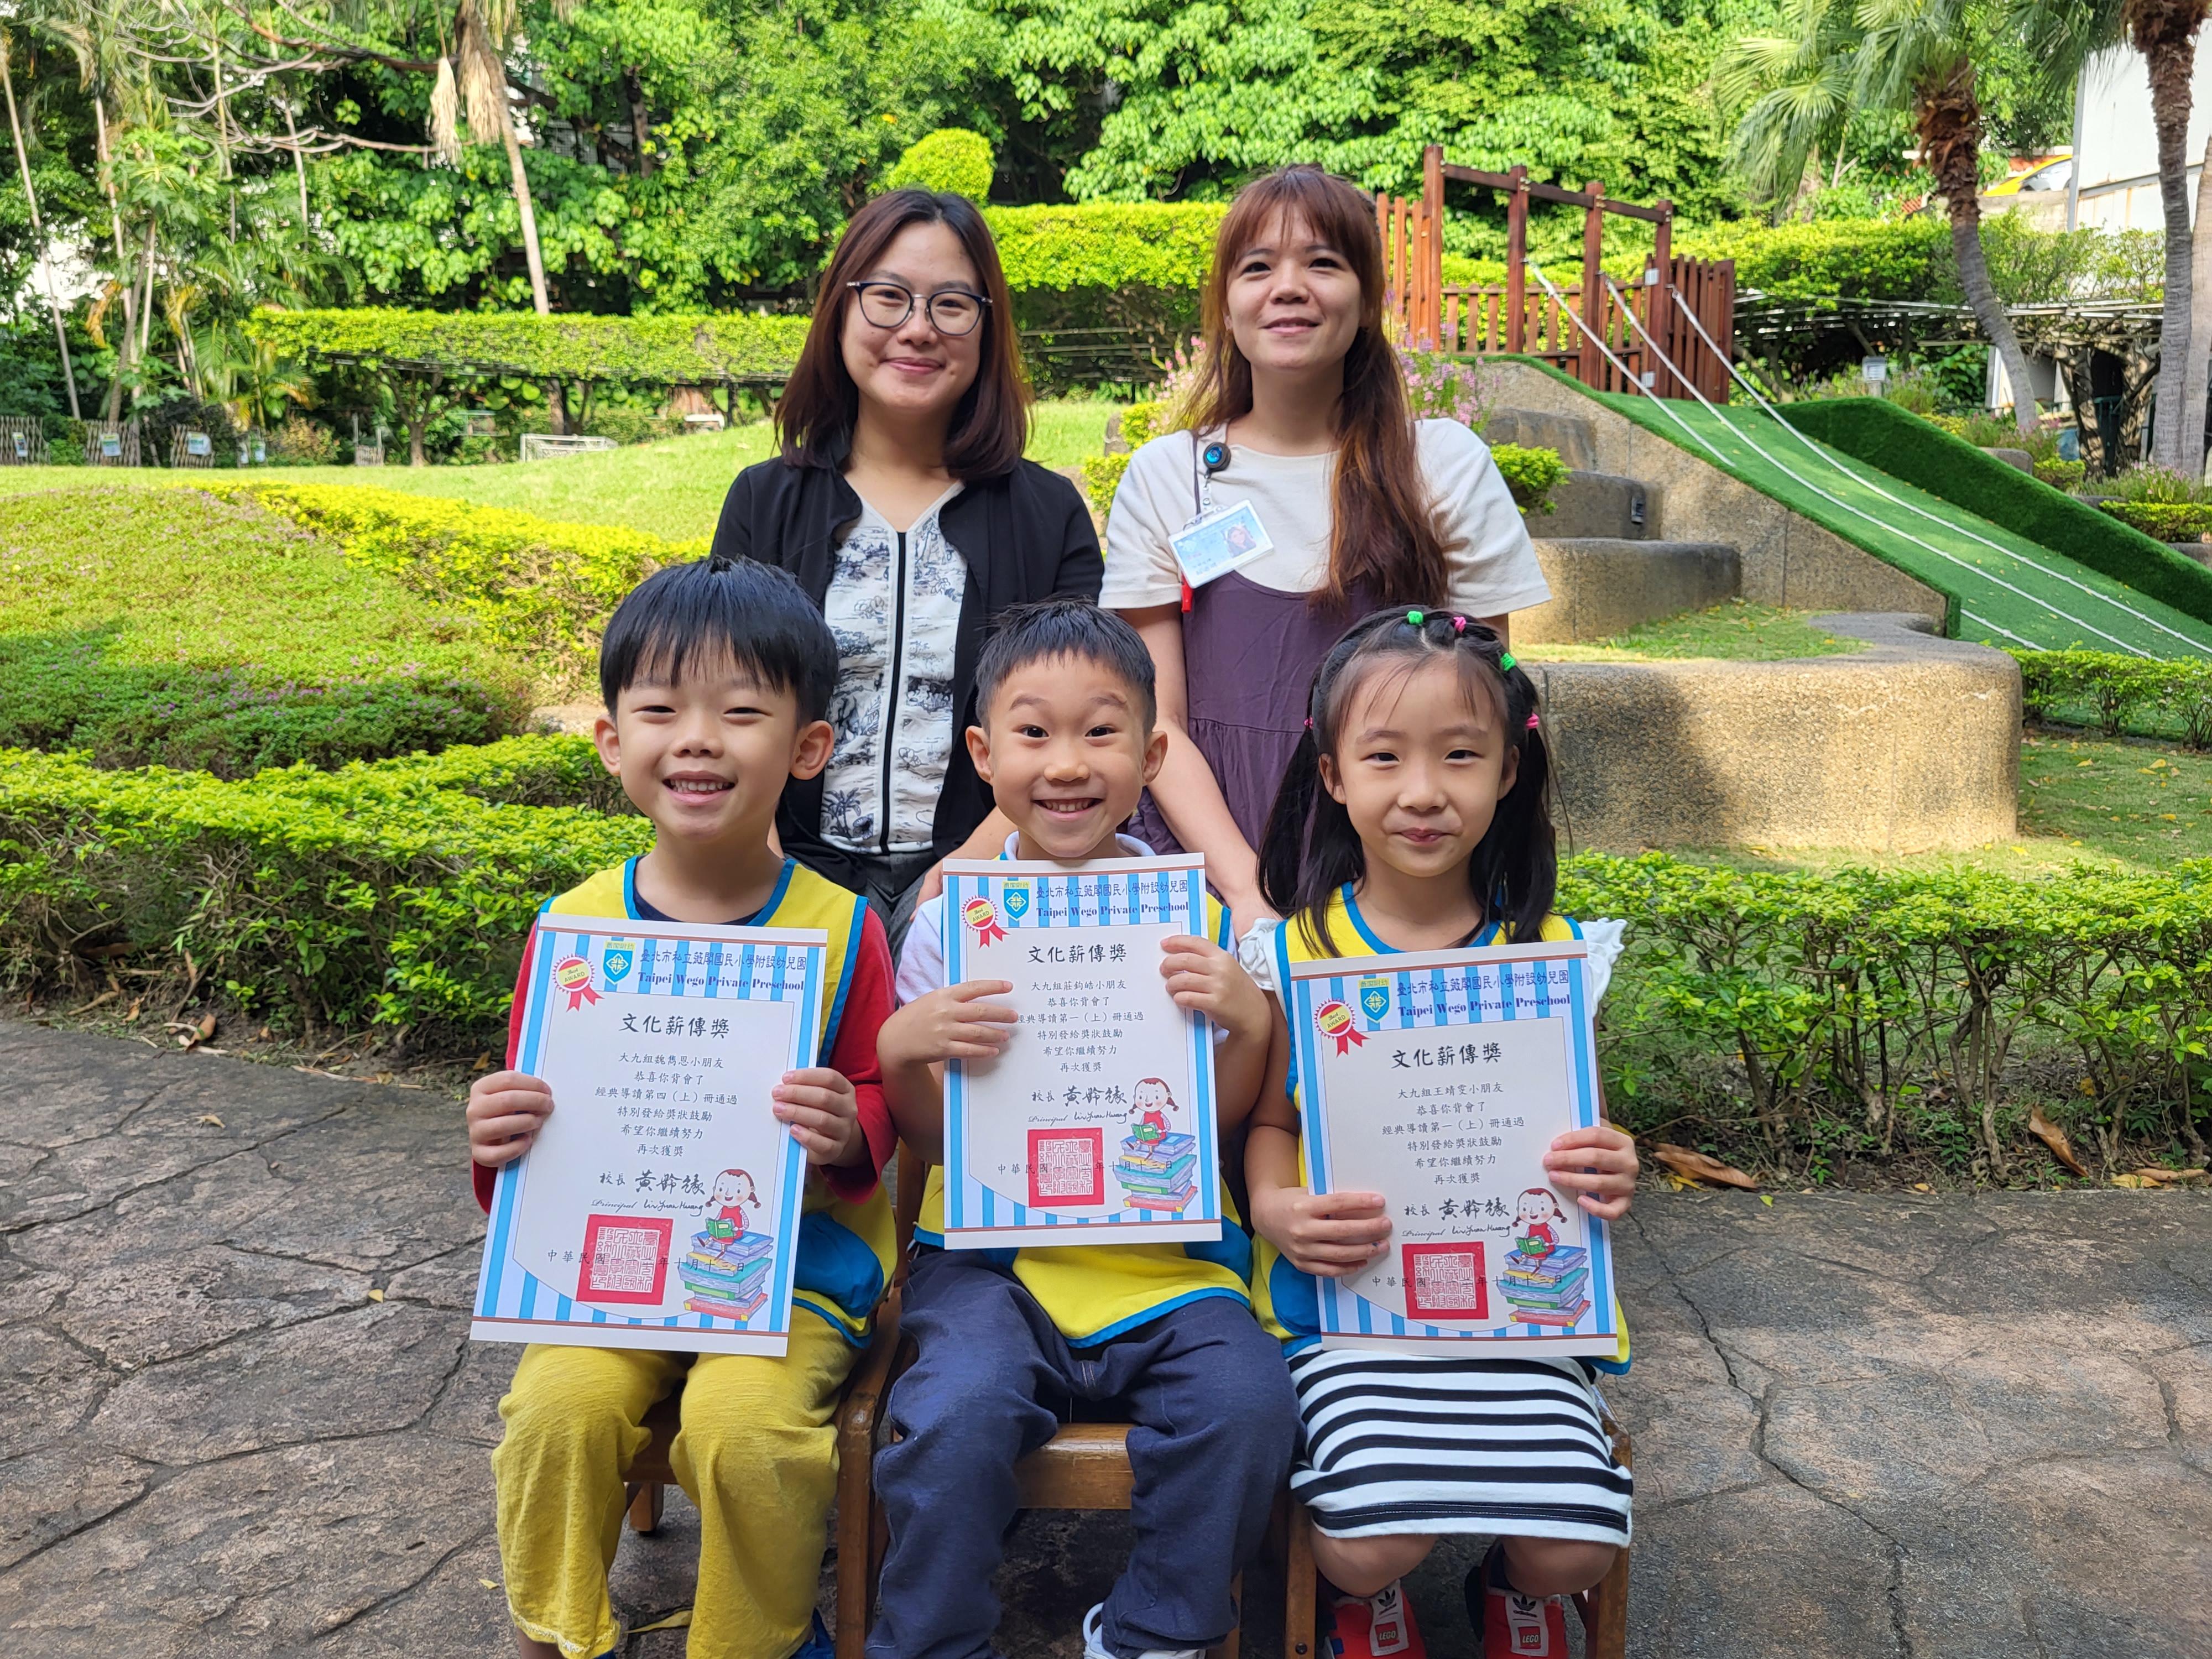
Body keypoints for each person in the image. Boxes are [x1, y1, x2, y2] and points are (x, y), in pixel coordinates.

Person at [464, 556, 899, 1659]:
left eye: (741, 713)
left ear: (808, 748)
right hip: (612, 1270)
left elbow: (879, 1099)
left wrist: (849, 1127)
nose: (697, 740)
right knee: (554, 1412)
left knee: (743, 1430)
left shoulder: (841, 928)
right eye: (660, 710)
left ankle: (752, 1639)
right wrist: (498, 1137)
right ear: (612, 740)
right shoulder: (576, 932)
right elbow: (532, 1138)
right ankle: (556, 1631)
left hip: (795, 1273)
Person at [868, 598, 1300, 1659]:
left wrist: (1250, 1023)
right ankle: (931, 1640)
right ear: (984, 754)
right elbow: (933, 1142)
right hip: (991, 1263)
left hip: (1166, 1262)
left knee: (1250, 1405)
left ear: (1151, 756)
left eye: (1101, 732)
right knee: (956, 1412)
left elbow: (1213, 1125)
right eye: (1034, 732)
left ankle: (1157, 1629)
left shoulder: (1192, 921)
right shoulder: (952, 920)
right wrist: (902, 1052)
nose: (1067, 763)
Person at [1238, 608, 1639, 1659]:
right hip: (1353, 1314)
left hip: (1518, 1315)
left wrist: (1609, 1159)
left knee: (1575, 1551)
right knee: (1372, 1544)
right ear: (1333, 775)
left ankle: (1512, 1585)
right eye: (1385, 757)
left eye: (1460, 755)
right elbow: (1271, 1120)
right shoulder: (1297, 951)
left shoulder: (1546, 953)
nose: (1423, 791)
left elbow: (1579, 1124)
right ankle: (1358, 1595)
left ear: (1509, 769)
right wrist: (1275, 1207)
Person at [1101, 165, 1553, 935]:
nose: (1288, 288)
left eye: (1322, 262)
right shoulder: (1169, 475)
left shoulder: (1442, 464)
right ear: (1225, 306)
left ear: (1368, 298)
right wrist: (1248, 896)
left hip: (1410, 879)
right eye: (1257, 267)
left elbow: (1481, 712)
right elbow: (1157, 721)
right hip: (1211, 866)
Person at [711, 187, 1104, 944]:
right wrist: (773, 884)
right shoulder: (765, 502)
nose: (918, 329)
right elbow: (729, 701)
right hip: (786, 879)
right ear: (840, 309)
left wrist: (963, 877)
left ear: (987, 327)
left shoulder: (1048, 514)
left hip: (991, 886)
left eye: (951, 305)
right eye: (888, 297)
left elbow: (1072, 720)